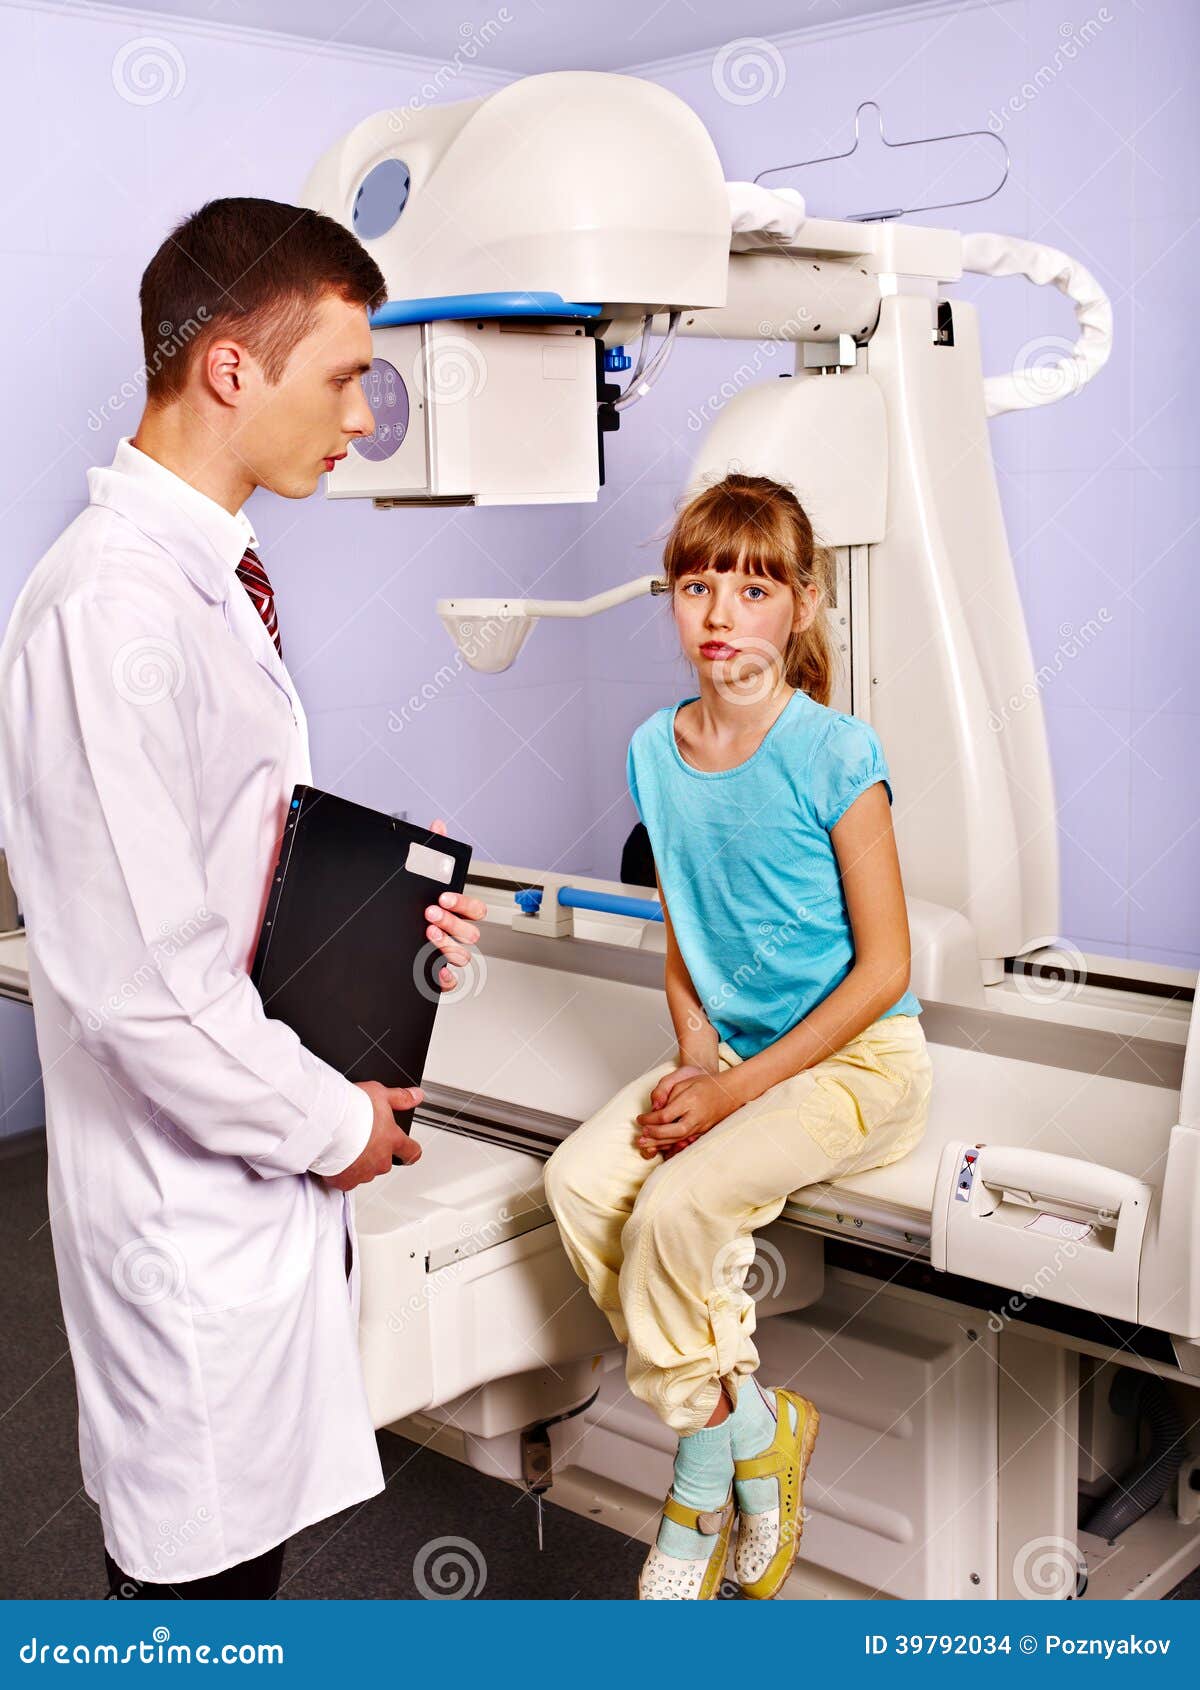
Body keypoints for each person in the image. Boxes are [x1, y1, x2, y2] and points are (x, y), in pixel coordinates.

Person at [0, 198, 487, 1599]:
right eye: (345, 376)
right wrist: (340, 1126)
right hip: (185, 1219)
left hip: (247, 1192)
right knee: (190, 1598)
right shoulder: (111, 612)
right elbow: (145, 990)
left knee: (236, 1573)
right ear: (230, 367)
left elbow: (212, 882)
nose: (363, 414)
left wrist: (378, 930)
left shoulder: (200, 585)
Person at [543, 472, 933, 1600]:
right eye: (699, 584)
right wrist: (694, 1055)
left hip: (859, 1064)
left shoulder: (836, 754)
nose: (722, 612)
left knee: (672, 1206)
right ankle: (753, 1422)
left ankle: (697, 1476)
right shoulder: (653, 753)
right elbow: (687, 932)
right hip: (736, 1060)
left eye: (755, 587)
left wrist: (737, 1088)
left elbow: (889, 968)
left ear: (801, 607)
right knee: (577, 1184)